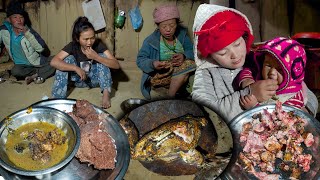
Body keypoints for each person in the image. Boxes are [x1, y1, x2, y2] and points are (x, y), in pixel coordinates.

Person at [191, 4, 318, 123]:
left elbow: (298, 86)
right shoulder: (206, 73)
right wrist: (250, 93)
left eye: (237, 44)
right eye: (223, 53)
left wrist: (306, 109)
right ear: (209, 53)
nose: (235, 55)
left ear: (245, 37)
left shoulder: (259, 59)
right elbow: (204, 112)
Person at [50, 16, 120, 109]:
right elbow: (54, 62)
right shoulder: (72, 46)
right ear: (77, 38)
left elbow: (116, 65)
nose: (90, 42)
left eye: (92, 38)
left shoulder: (98, 45)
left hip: (94, 80)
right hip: (77, 80)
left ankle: (106, 95)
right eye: (85, 39)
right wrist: (75, 68)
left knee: (102, 57)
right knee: (66, 60)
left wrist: (96, 57)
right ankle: (57, 98)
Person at [136, 4, 196, 99]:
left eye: (172, 25)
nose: (168, 30)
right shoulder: (150, 41)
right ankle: (172, 94)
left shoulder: (182, 36)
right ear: (158, 26)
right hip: (160, 76)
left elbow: (193, 51)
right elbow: (140, 60)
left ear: (177, 24)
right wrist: (153, 64)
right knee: (184, 71)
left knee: (188, 64)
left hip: (181, 74)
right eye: (164, 26)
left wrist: (184, 56)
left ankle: (170, 95)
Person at [235, 37, 309, 111]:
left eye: (280, 69)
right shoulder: (259, 75)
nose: (272, 73)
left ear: (292, 74)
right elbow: (247, 71)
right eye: (268, 66)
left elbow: (281, 119)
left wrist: (254, 107)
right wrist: (247, 81)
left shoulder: (294, 97)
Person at [0, 0, 55, 84]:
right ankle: (40, 74)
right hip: (21, 66)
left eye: (21, 17)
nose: (19, 20)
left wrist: (27, 34)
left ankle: (35, 75)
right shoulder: (3, 31)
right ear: (9, 19)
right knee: (15, 71)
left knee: (56, 60)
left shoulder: (29, 31)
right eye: (15, 17)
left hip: (36, 62)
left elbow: (41, 49)